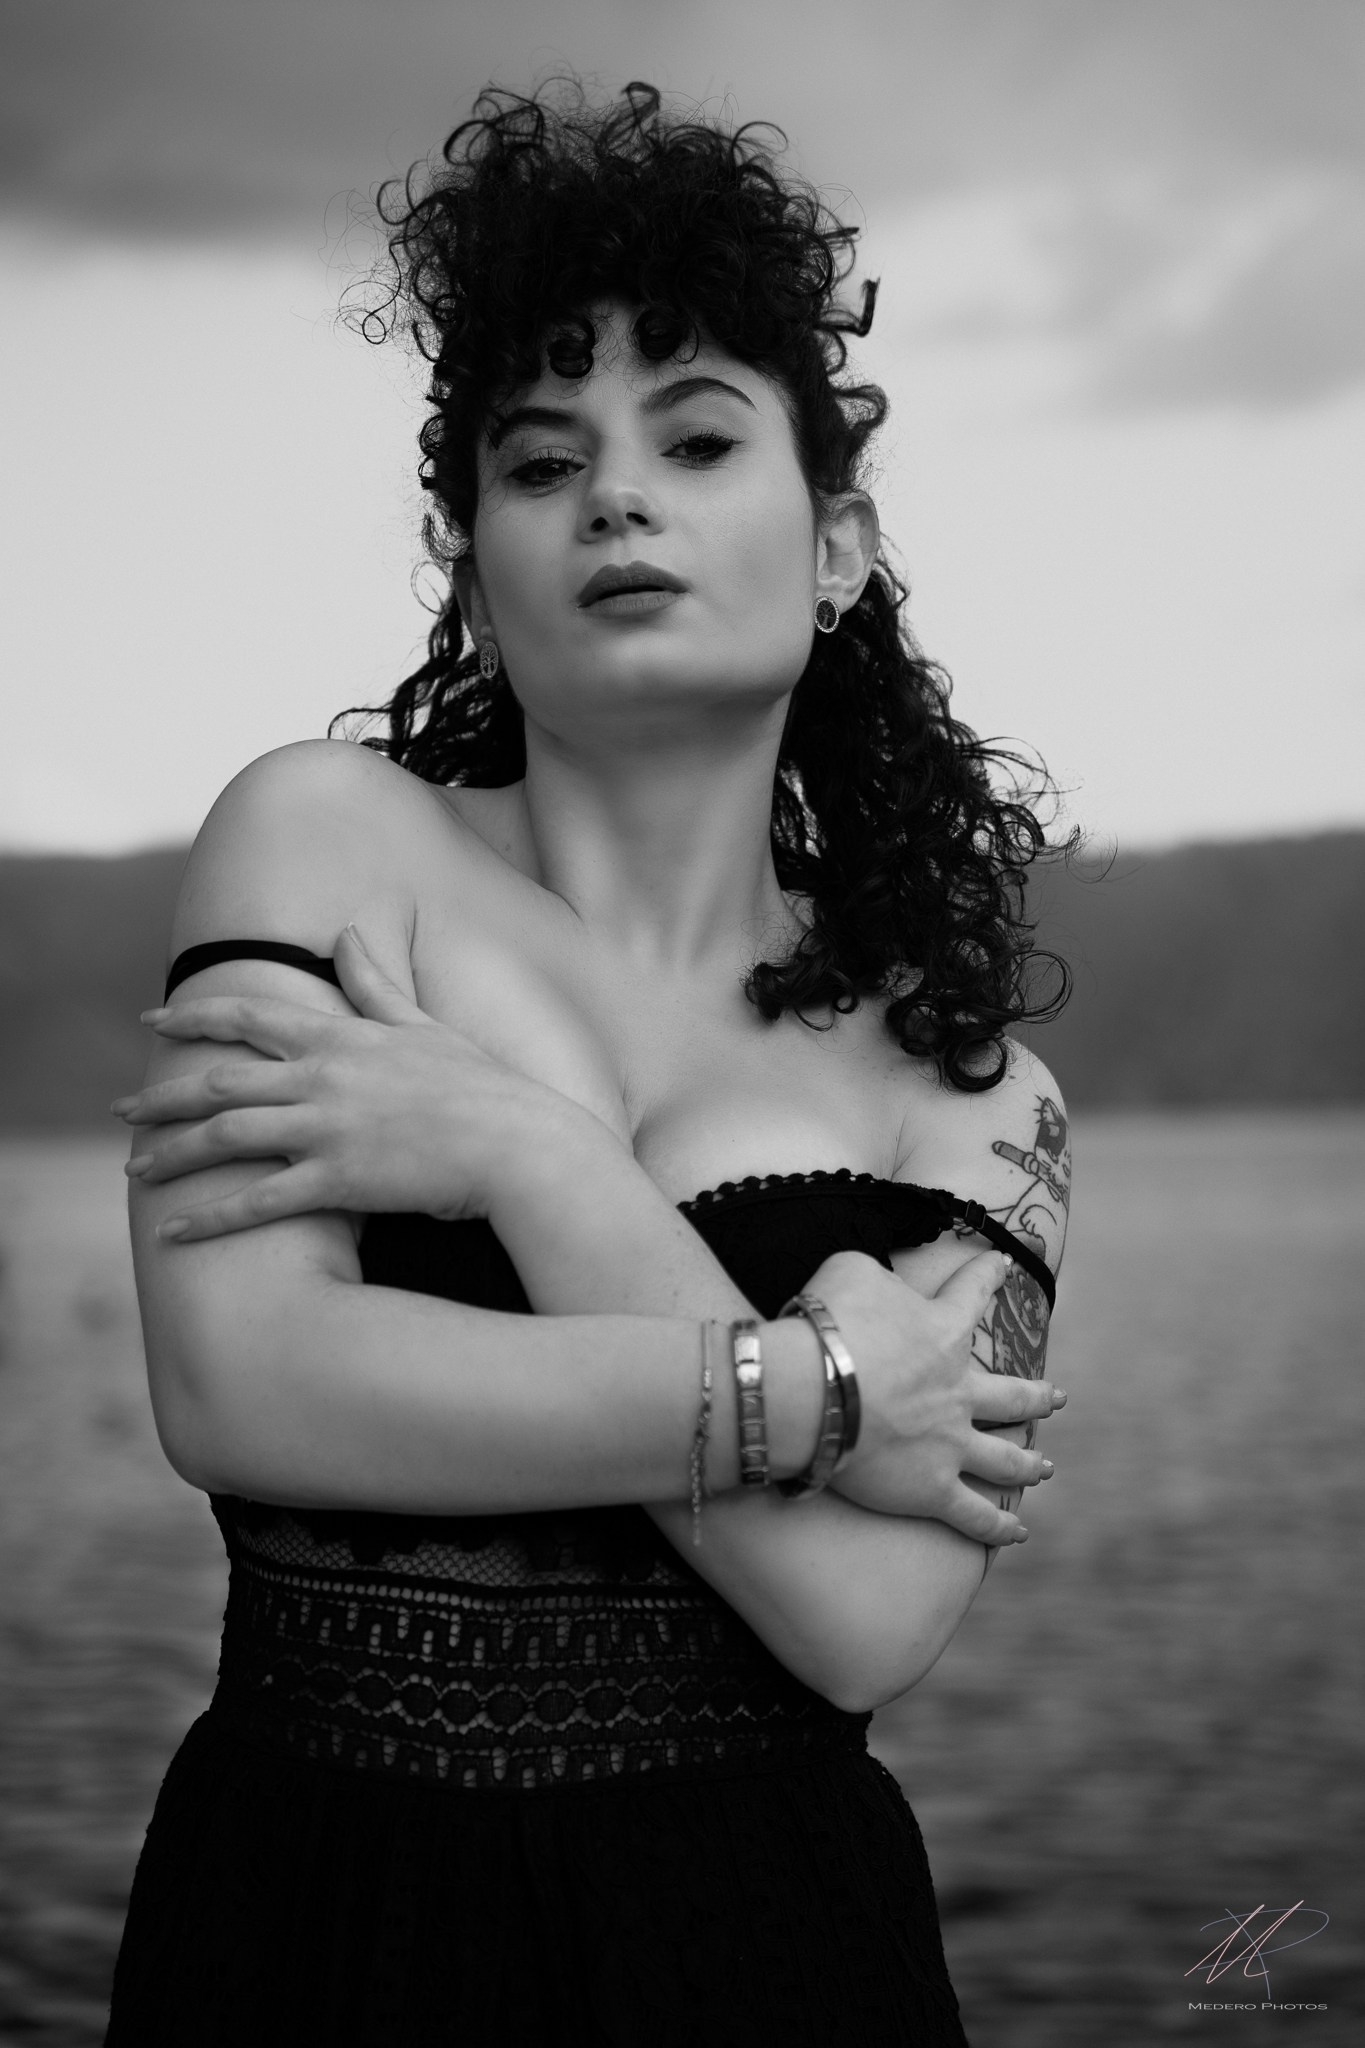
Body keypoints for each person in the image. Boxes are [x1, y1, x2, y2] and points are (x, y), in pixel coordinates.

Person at [105, 82, 1071, 2047]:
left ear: (834, 547)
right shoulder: (320, 839)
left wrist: (528, 1160)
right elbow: (242, 1381)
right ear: (473, 565)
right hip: (311, 1928)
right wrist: (811, 1389)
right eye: (542, 462)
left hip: (771, 1956)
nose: (614, 495)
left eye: (694, 439)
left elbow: (863, 1621)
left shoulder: (973, 1089)